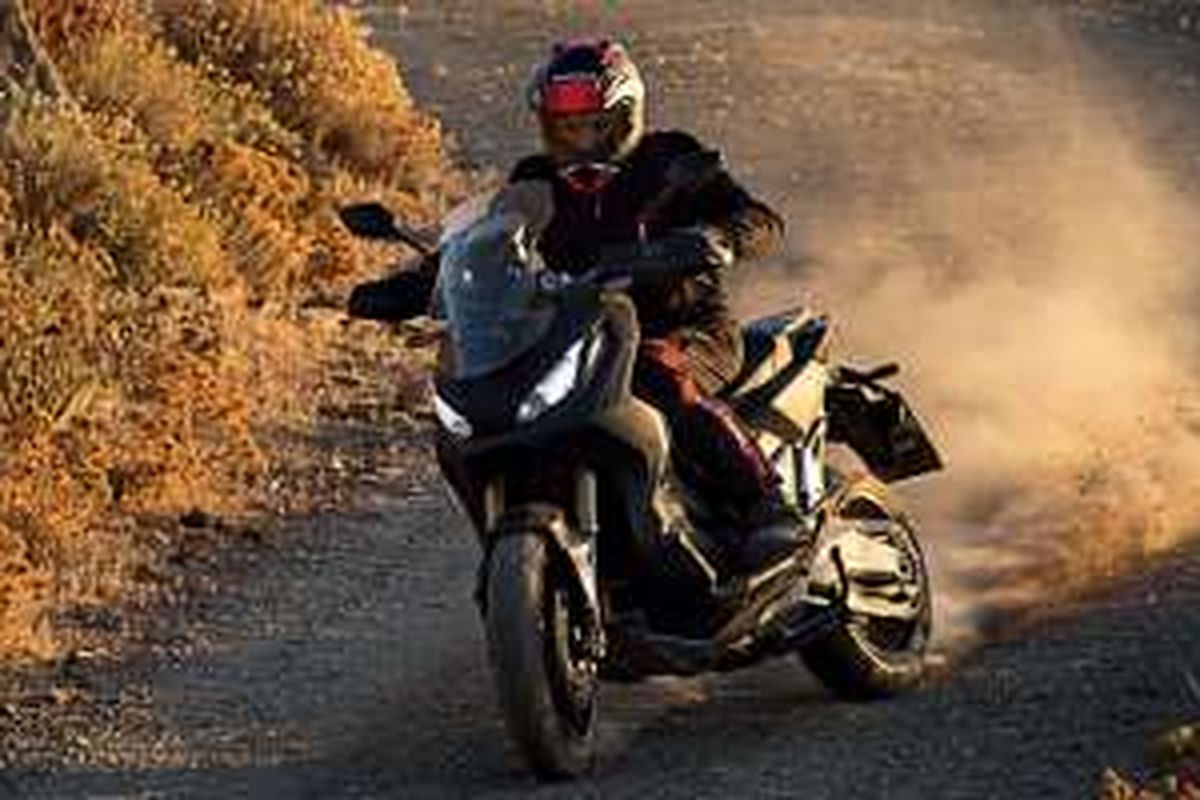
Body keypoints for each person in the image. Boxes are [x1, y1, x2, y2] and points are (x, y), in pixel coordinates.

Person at [350, 38, 801, 574]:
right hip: (581, 333)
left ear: (626, 116)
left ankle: (769, 505)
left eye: (595, 125)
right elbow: (493, 243)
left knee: (657, 372)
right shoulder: (534, 180)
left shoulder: (668, 158)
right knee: (484, 409)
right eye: (568, 127)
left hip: (685, 328)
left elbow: (759, 219)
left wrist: (718, 237)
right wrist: (420, 283)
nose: (582, 139)